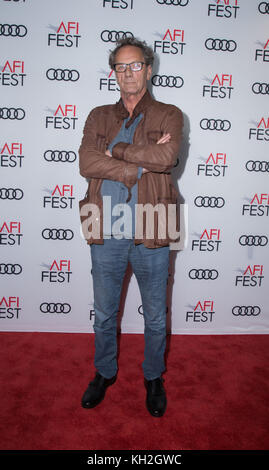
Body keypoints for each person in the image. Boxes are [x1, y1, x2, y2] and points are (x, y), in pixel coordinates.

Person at [79, 37, 183, 417]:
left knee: (155, 315)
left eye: (135, 65)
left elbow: (166, 156)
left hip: (153, 221)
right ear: (114, 73)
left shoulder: (170, 113)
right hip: (104, 222)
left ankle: (153, 376)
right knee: (105, 312)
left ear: (149, 69)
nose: (128, 72)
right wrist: (135, 167)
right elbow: (86, 163)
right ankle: (104, 372)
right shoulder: (98, 116)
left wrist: (117, 152)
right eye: (121, 66)